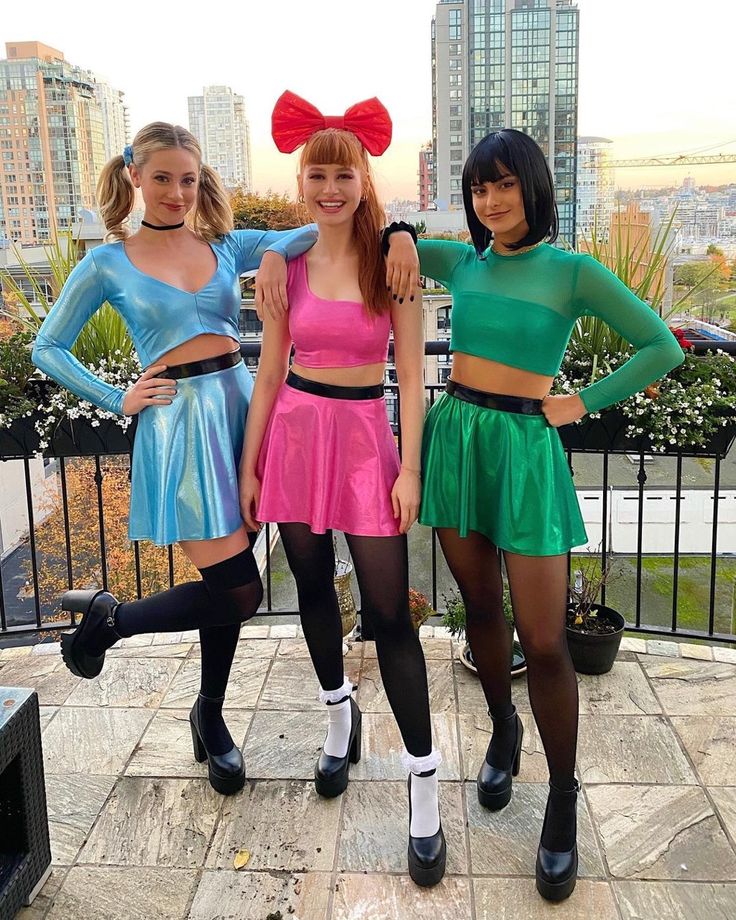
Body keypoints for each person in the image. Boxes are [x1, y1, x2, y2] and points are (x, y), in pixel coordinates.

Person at [383, 128, 684, 901]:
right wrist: (399, 230)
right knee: (480, 605)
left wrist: (579, 402)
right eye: (479, 189)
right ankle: (503, 727)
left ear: (533, 187)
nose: (491, 201)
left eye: (504, 185)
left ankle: (561, 797)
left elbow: (660, 345)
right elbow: (400, 239)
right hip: (458, 438)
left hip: (524, 448)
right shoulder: (467, 262)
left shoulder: (572, 270)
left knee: (547, 642)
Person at [32, 121, 316, 796]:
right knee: (240, 591)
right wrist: (116, 397)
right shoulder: (106, 262)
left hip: (241, 415)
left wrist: (271, 253)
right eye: (162, 178)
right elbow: (49, 346)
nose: (176, 192)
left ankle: (210, 716)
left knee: (228, 588)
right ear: (135, 174)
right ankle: (110, 621)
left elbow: (305, 235)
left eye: (188, 180)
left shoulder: (223, 244)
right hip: (179, 430)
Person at [239, 91, 446, 887]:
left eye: (343, 175)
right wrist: (252, 465)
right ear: (302, 184)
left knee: (391, 615)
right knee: (313, 590)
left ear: (365, 180)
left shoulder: (394, 259)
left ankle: (423, 784)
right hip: (294, 432)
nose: (330, 188)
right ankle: (337, 718)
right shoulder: (285, 263)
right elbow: (266, 374)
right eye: (317, 175)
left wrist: (411, 467)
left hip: (364, 441)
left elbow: (414, 379)